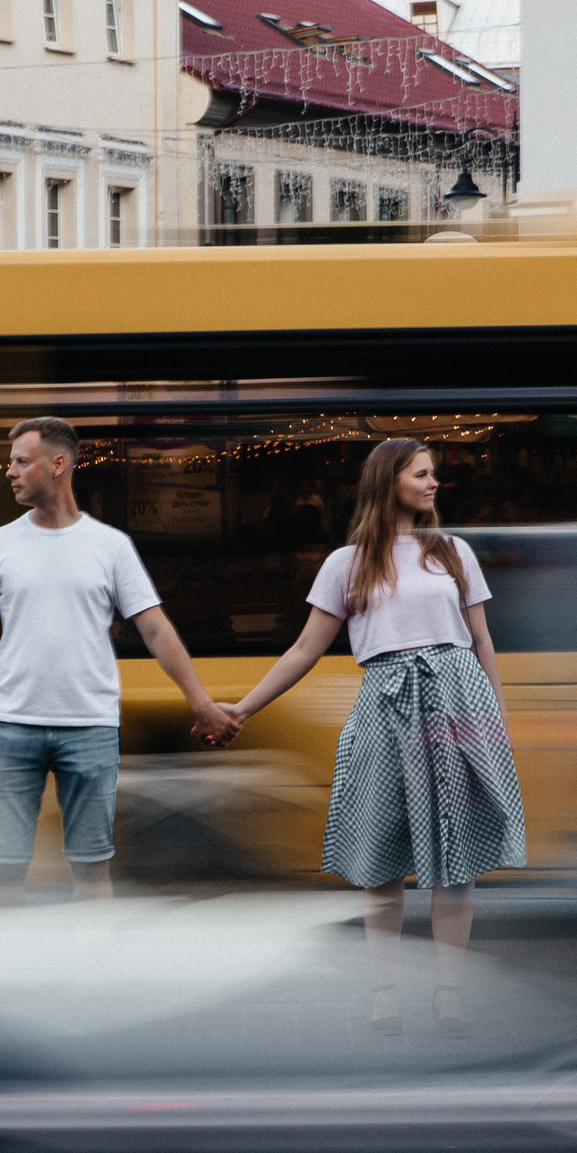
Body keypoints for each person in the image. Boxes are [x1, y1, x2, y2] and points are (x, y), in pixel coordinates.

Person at [217, 438, 525, 1038]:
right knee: (381, 857)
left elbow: (481, 639)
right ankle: (385, 994)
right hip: (385, 702)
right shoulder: (347, 562)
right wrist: (245, 709)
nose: (434, 483)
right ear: (390, 482)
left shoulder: (453, 551)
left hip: (456, 697)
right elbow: (306, 648)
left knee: (453, 860)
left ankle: (448, 995)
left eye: (434, 474)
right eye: (422, 474)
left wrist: (496, 719)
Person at [0, 417, 238, 907]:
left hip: (90, 727)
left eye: (21, 462)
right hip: (11, 726)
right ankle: (3, 973)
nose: (10, 473)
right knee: (4, 869)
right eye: (11, 463)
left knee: (91, 868)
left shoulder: (110, 547)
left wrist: (201, 703)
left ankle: (87, 973)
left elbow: (156, 630)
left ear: (57, 465)